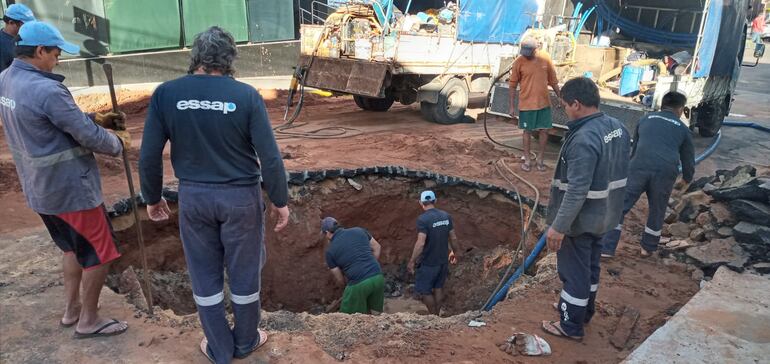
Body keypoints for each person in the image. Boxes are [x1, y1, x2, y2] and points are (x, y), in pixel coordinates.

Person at [138, 26, 290, 364]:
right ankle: (246, 340)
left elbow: (148, 155)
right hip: (240, 198)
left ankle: (219, 348)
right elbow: (270, 157)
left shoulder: (166, 94)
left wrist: (152, 196)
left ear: (195, 57)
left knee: (204, 273)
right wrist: (280, 200)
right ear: (230, 58)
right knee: (244, 271)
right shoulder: (247, 96)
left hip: (194, 197)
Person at [0, 21, 128, 338]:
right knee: (100, 253)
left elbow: (51, 121)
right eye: (56, 53)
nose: (58, 59)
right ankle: (89, 321)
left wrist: (97, 117)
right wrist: (118, 143)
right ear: (39, 50)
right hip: (70, 189)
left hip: (39, 188)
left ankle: (72, 311)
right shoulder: (47, 89)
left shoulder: (6, 80)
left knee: (72, 249)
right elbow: (86, 135)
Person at [541, 78, 630, 341]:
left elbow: (576, 190)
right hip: (606, 215)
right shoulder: (617, 127)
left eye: (565, 106)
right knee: (590, 269)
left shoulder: (583, 139)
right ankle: (583, 312)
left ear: (576, 104)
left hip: (580, 221)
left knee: (574, 274)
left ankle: (570, 326)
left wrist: (559, 227)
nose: (565, 110)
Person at [600, 92, 695, 258]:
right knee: (657, 209)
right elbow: (688, 159)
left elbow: (635, 147)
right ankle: (647, 248)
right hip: (665, 172)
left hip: (638, 167)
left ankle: (606, 249)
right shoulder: (683, 129)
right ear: (680, 109)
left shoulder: (645, 119)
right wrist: (687, 178)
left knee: (619, 206)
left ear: (662, 104)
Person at [509, 38, 561, 172]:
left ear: (536, 49)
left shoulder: (545, 58)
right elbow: (512, 85)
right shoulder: (519, 62)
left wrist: (560, 97)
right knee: (527, 131)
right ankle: (527, 159)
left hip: (543, 103)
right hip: (526, 104)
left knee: (544, 131)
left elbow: (553, 80)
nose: (525, 54)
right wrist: (511, 106)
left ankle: (540, 158)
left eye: (528, 51)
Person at [407, 190, 460, 315]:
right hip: (442, 261)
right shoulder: (446, 216)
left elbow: (420, 243)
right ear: (435, 201)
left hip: (428, 263)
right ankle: (437, 314)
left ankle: (433, 316)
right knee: (438, 287)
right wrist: (454, 252)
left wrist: (412, 261)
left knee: (425, 291)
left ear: (421, 203)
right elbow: (453, 237)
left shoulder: (423, 219)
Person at [321, 217, 385, 314]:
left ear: (327, 232)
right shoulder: (359, 230)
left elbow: (339, 279)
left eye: (324, 234)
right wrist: (370, 265)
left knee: (349, 318)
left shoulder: (330, 252)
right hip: (378, 277)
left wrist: (346, 288)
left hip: (358, 284)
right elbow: (377, 247)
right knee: (376, 315)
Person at [0, 3, 35, 72]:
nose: (29, 27)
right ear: (11, 22)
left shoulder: (24, 39)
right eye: (26, 25)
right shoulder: (2, 44)